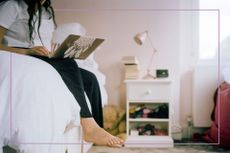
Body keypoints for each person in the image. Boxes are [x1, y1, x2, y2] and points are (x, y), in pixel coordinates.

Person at [0, 0, 124, 147]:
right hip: (24, 54)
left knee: (90, 79)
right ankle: (88, 126)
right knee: (68, 64)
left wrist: (56, 52)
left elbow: (44, 42)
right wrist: (27, 50)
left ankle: (98, 131)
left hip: (44, 57)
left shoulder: (47, 11)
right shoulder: (12, 6)